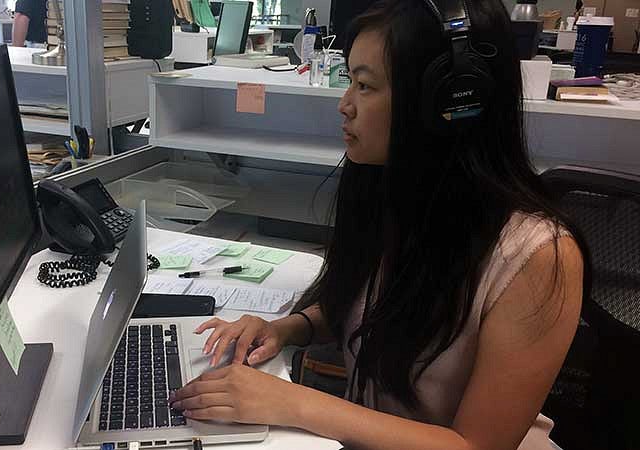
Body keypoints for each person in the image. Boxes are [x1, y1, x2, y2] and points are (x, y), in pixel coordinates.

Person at [170, 1, 587, 449]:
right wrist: (285, 329)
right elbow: (366, 307)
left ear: (448, 101)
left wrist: (293, 402)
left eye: (365, 85)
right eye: (350, 80)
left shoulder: (540, 257)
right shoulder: (393, 191)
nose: (345, 105)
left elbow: (476, 445)